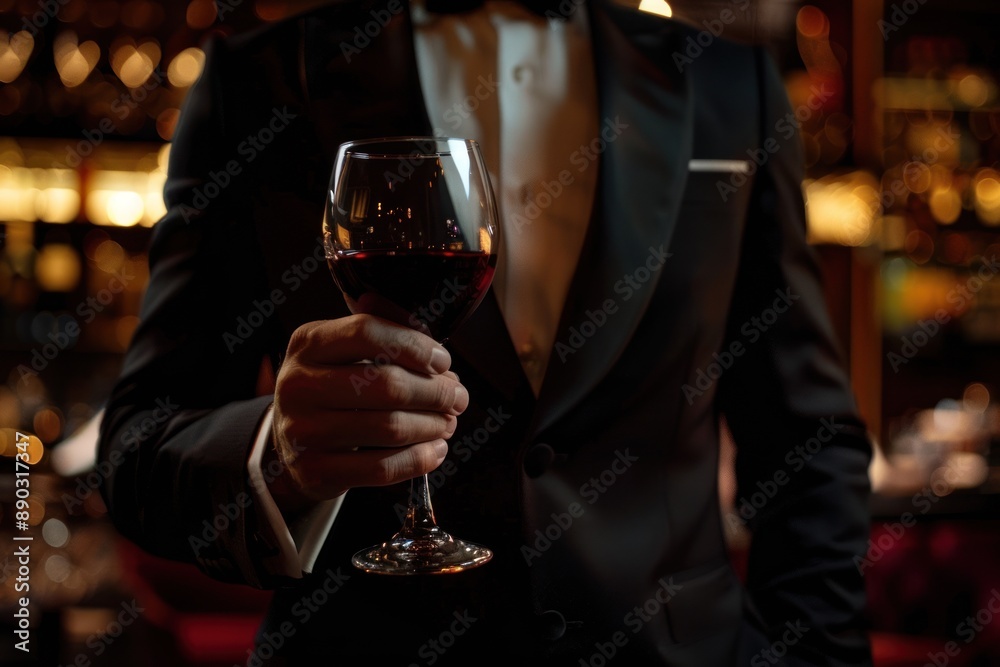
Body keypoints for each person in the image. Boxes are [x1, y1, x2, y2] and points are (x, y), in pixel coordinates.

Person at [98, 0, 873, 664]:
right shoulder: (258, 83)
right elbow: (137, 452)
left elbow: (809, 444)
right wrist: (279, 455)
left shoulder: (729, 85)